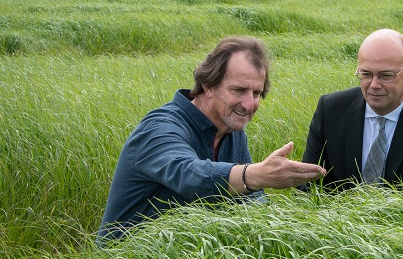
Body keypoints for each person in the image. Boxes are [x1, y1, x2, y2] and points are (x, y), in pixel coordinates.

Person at [98, 36, 326, 243]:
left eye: (256, 94)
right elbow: (189, 175)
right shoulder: (160, 128)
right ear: (208, 85)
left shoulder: (232, 131)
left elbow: (250, 203)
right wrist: (256, 175)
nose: (249, 105)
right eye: (239, 90)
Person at [301, 29, 403, 191]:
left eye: (386, 76)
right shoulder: (330, 111)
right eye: (366, 74)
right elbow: (308, 188)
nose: (374, 85)